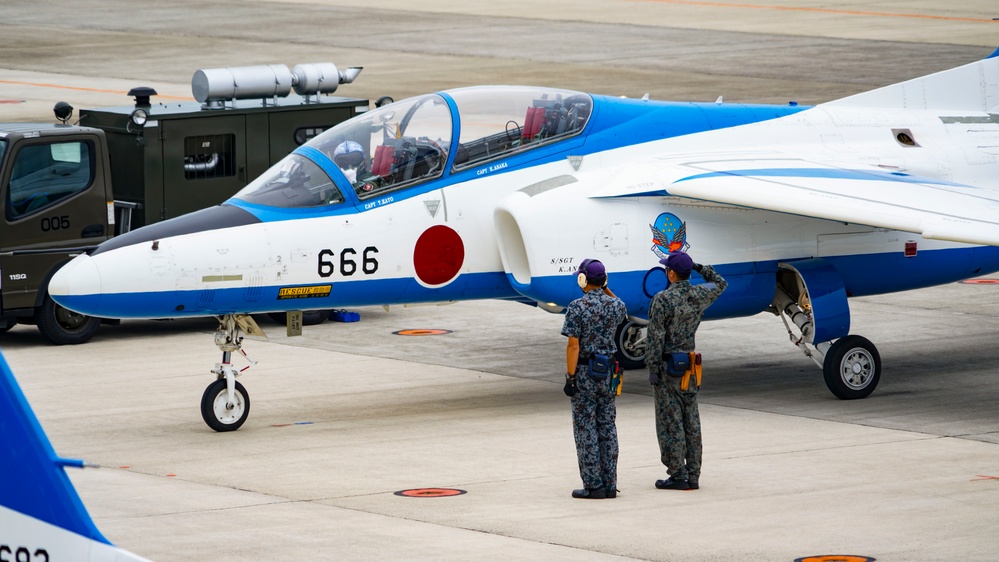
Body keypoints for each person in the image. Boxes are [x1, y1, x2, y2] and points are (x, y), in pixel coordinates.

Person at [646, 251, 727, 491]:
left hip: (668, 366)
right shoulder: (699, 294)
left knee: (670, 422)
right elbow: (721, 283)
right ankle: (693, 474)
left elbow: (655, 338)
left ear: (671, 273)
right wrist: (700, 267)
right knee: (691, 420)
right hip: (690, 367)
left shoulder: (663, 299)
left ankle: (677, 473)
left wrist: (653, 369)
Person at [561, 258, 627, 499]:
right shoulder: (615, 306)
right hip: (608, 372)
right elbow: (619, 303)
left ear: (582, 279)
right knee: (607, 426)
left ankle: (593, 485)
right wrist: (605, 287)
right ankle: (610, 484)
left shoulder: (577, 307)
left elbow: (573, 346)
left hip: (585, 372)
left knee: (585, 427)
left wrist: (570, 378)